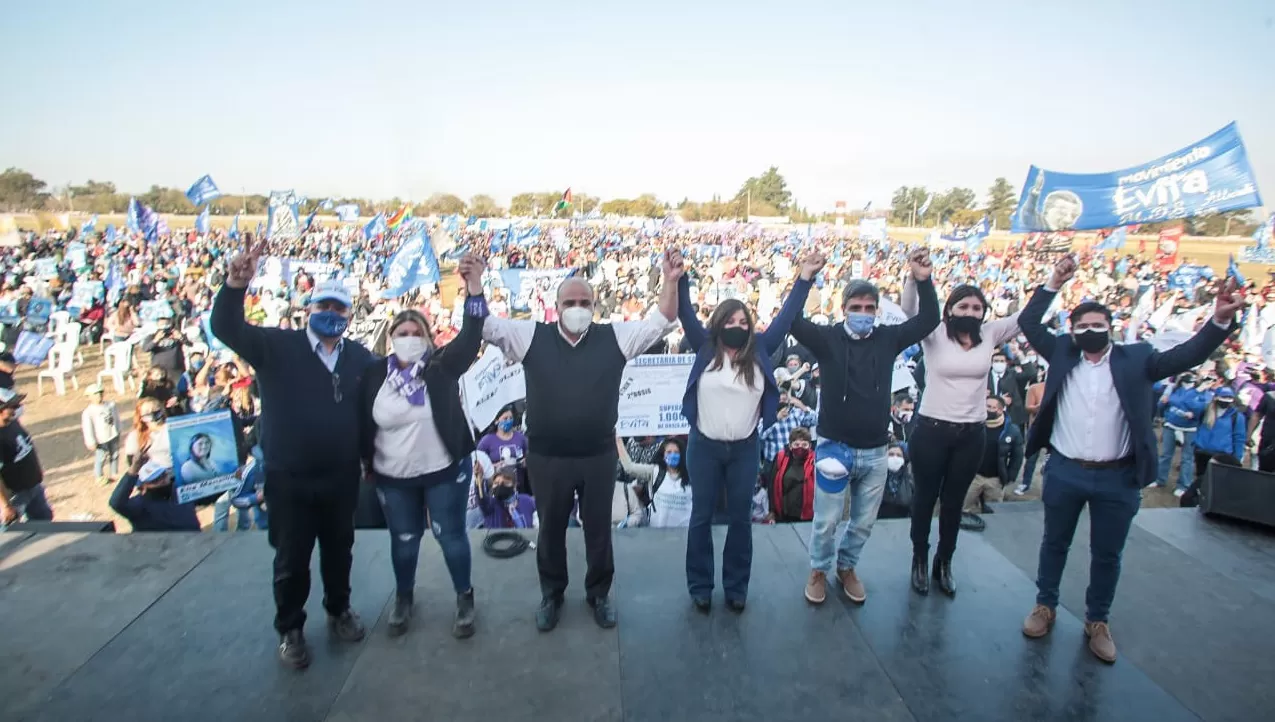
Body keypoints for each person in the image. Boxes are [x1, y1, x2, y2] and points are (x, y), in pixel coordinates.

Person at [1018, 254, 1240, 664]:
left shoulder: (1138, 359)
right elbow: (1029, 324)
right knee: (1054, 542)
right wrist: (1052, 282)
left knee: (1108, 552)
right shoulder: (1063, 353)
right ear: (1071, 331)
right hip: (1066, 470)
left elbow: (1187, 355)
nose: (1089, 331)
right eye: (1081, 326)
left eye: (1097, 326)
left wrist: (1219, 322)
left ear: (1111, 329)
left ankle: (1097, 620)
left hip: (1117, 477)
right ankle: (1044, 605)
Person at [480, 250, 680, 632]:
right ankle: (551, 594)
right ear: (555, 307)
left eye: (584, 303)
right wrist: (475, 285)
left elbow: (663, 321)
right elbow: (487, 326)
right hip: (547, 457)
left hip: (597, 455)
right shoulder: (531, 336)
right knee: (551, 528)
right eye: (569, 303)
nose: (577, 308)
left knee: (598, 529)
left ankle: (599, 593)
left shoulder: (614, 338)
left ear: (594, 306)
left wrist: (670, 280)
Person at [212, 234, 373, 670]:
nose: (331, 314)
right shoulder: (275, 347)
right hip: (289, 478)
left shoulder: (359, 358)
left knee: (340, 550)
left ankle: (339, 610)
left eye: (339, 309)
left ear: (349, 316)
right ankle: (291, 629)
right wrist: (234, 285)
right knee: (291, 558)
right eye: (323, 307)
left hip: (341, 478)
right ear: (308, 310)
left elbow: (378, 406)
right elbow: (225, 329)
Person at [789, 249, 939, 606]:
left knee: (863, 522)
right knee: (826, 522)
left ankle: (847, 566)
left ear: (877, 311)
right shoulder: (827, 340)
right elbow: (792, 322)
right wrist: (804, 277)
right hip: (833, 447)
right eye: (856, 308)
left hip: (874, 450)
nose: (863, 314)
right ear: (844, 310)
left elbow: (929, 318)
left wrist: (923, 279)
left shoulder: (888, 339)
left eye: (870, 308)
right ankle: (818, 569)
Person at [676, 252, 821, 612]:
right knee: (701, 517)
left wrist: (804, 278)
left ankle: (736, 587)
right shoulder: (705, 347)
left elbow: (786, 319)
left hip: (744, 449)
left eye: (744, 320)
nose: (739, 325)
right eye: (732, 319)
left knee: (741, 519)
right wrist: (679, 279)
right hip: (704, 447)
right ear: (720, 323)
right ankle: (700, 586)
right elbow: (685, 314)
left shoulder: (761, 350)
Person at [357, 256, 487, 639]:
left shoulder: (442, 366)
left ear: (428, 338)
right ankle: (404, 597)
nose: (409, 337)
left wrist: (474, 287)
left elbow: (472, 334)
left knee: (451, 536)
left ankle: (464, 597)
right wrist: (362, 461)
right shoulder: (371, 375)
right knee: (405, 539)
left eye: (417, 332)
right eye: (402, 331)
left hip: (445, 470)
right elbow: (360, 420)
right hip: (393, 476)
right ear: (390, 337)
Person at [899, 276, 1022, 597]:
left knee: (954, 502)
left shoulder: (991, 334)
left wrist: (1053, 282)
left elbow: (1026, 319)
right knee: (925, 499)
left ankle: (944, 560)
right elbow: (909, 310)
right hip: (931, 430)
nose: (970, 311)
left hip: (971, 434)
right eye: (963, 305)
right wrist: (916, 279)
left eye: (977, 307)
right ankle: (919, 559)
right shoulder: (935, 333)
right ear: (949, 309)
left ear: (984, 312)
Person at [961, 395, 1025, 515]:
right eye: (986, 406)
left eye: (991, 407)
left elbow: (1017, 456)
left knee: (993, 514)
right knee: (964, 509)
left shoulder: (1012, 430)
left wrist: (1010, 477)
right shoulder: (975, 424)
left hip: (995, 480)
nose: (987, 409)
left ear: (1000, 410)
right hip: (974, 477)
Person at [615, 435, 692, 528]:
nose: (672, 455)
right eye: (669, 452)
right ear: (663, 455)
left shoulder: (692, 475)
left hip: (684, 531)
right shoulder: (654, 471)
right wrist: (618, 442)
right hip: (658, 532)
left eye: (676, 452)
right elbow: (629, 468)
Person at [109, 454, 200, 531]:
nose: (162, 481)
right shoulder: (139, 505)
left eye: (163, 476)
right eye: (155, 480)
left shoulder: (180, 491)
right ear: (143, 486)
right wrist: (133, 470)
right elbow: (116, 503)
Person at [0, 389, 52, 524]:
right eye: (14, 406)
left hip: (34, 487)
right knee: (10, 534)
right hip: (15, 496)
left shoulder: (12, 422)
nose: (19, 408)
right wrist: (5, 506)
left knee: (45, 524)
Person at [1156, 372, 1209, 495]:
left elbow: (1201, 409)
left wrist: (1192, 413)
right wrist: (1163, 402)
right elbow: (1161, 406)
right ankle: (1160, 479)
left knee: (1187, 458)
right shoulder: (1174, 389)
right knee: (1165, 454)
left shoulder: (1201, 392)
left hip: (1190, 429)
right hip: (1171, 425)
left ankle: (1184, 485)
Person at [1190, 386, 1246, 486]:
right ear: (1216, 397)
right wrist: (1200, 389)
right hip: (1202, 451)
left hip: (1222, 455)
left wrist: (1238, 458)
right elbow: (1191, 404)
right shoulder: (1205, 410)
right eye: (1223, 397)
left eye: (1229, 398)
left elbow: (1239, 438)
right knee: (1201, 479)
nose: (1226, 400)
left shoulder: (1237, 416)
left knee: (1217, 482)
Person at [760, 428, 816, 523]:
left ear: (810, 446)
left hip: (808, 518)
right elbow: (772, 485)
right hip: (783, 515)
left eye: (804, 445)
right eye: (796, 444)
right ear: (790, 446)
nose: (800, 448)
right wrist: (772, 511)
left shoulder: (815, 460)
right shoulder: (780, 458)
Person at [476, 406, 530, 495]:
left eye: (510, 418)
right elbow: (477, 462)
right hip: (497, 488)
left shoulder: (521, 438)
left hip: (519, 486)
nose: (508, 421)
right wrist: (493, 466)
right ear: (496, 421)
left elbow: (530, 455)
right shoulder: (487, 441)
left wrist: (525, 462)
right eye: (505, 418)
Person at [81, 384, 121, 485]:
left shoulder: (111, 405)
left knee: (115, 454)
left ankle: (114, 473)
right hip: (101, 439)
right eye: (95, 394)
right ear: (89, 397)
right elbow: (87, 428)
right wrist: (90, 441)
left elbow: (116, 418)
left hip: (113, 434)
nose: (98, 396)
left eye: (100, 393)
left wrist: (119, 429)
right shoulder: (88, 412)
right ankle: (99, 476)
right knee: (101, 457)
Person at [878, 443, 914, 520]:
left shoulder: (911, 482)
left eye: (899, 455)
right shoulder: (875, 480)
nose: (895, 457)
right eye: (891, 454)